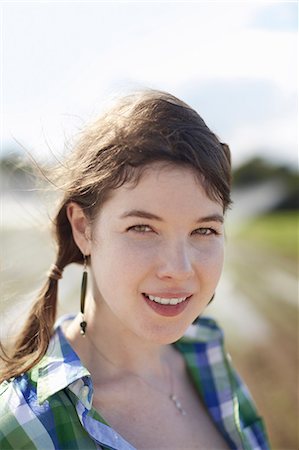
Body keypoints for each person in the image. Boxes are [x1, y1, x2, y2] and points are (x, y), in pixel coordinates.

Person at [0, 90, 270, 450]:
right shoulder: (25, 425)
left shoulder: (209, 354)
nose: (179, 268)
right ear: (83, 228)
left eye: (204, 230)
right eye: (142, 228)